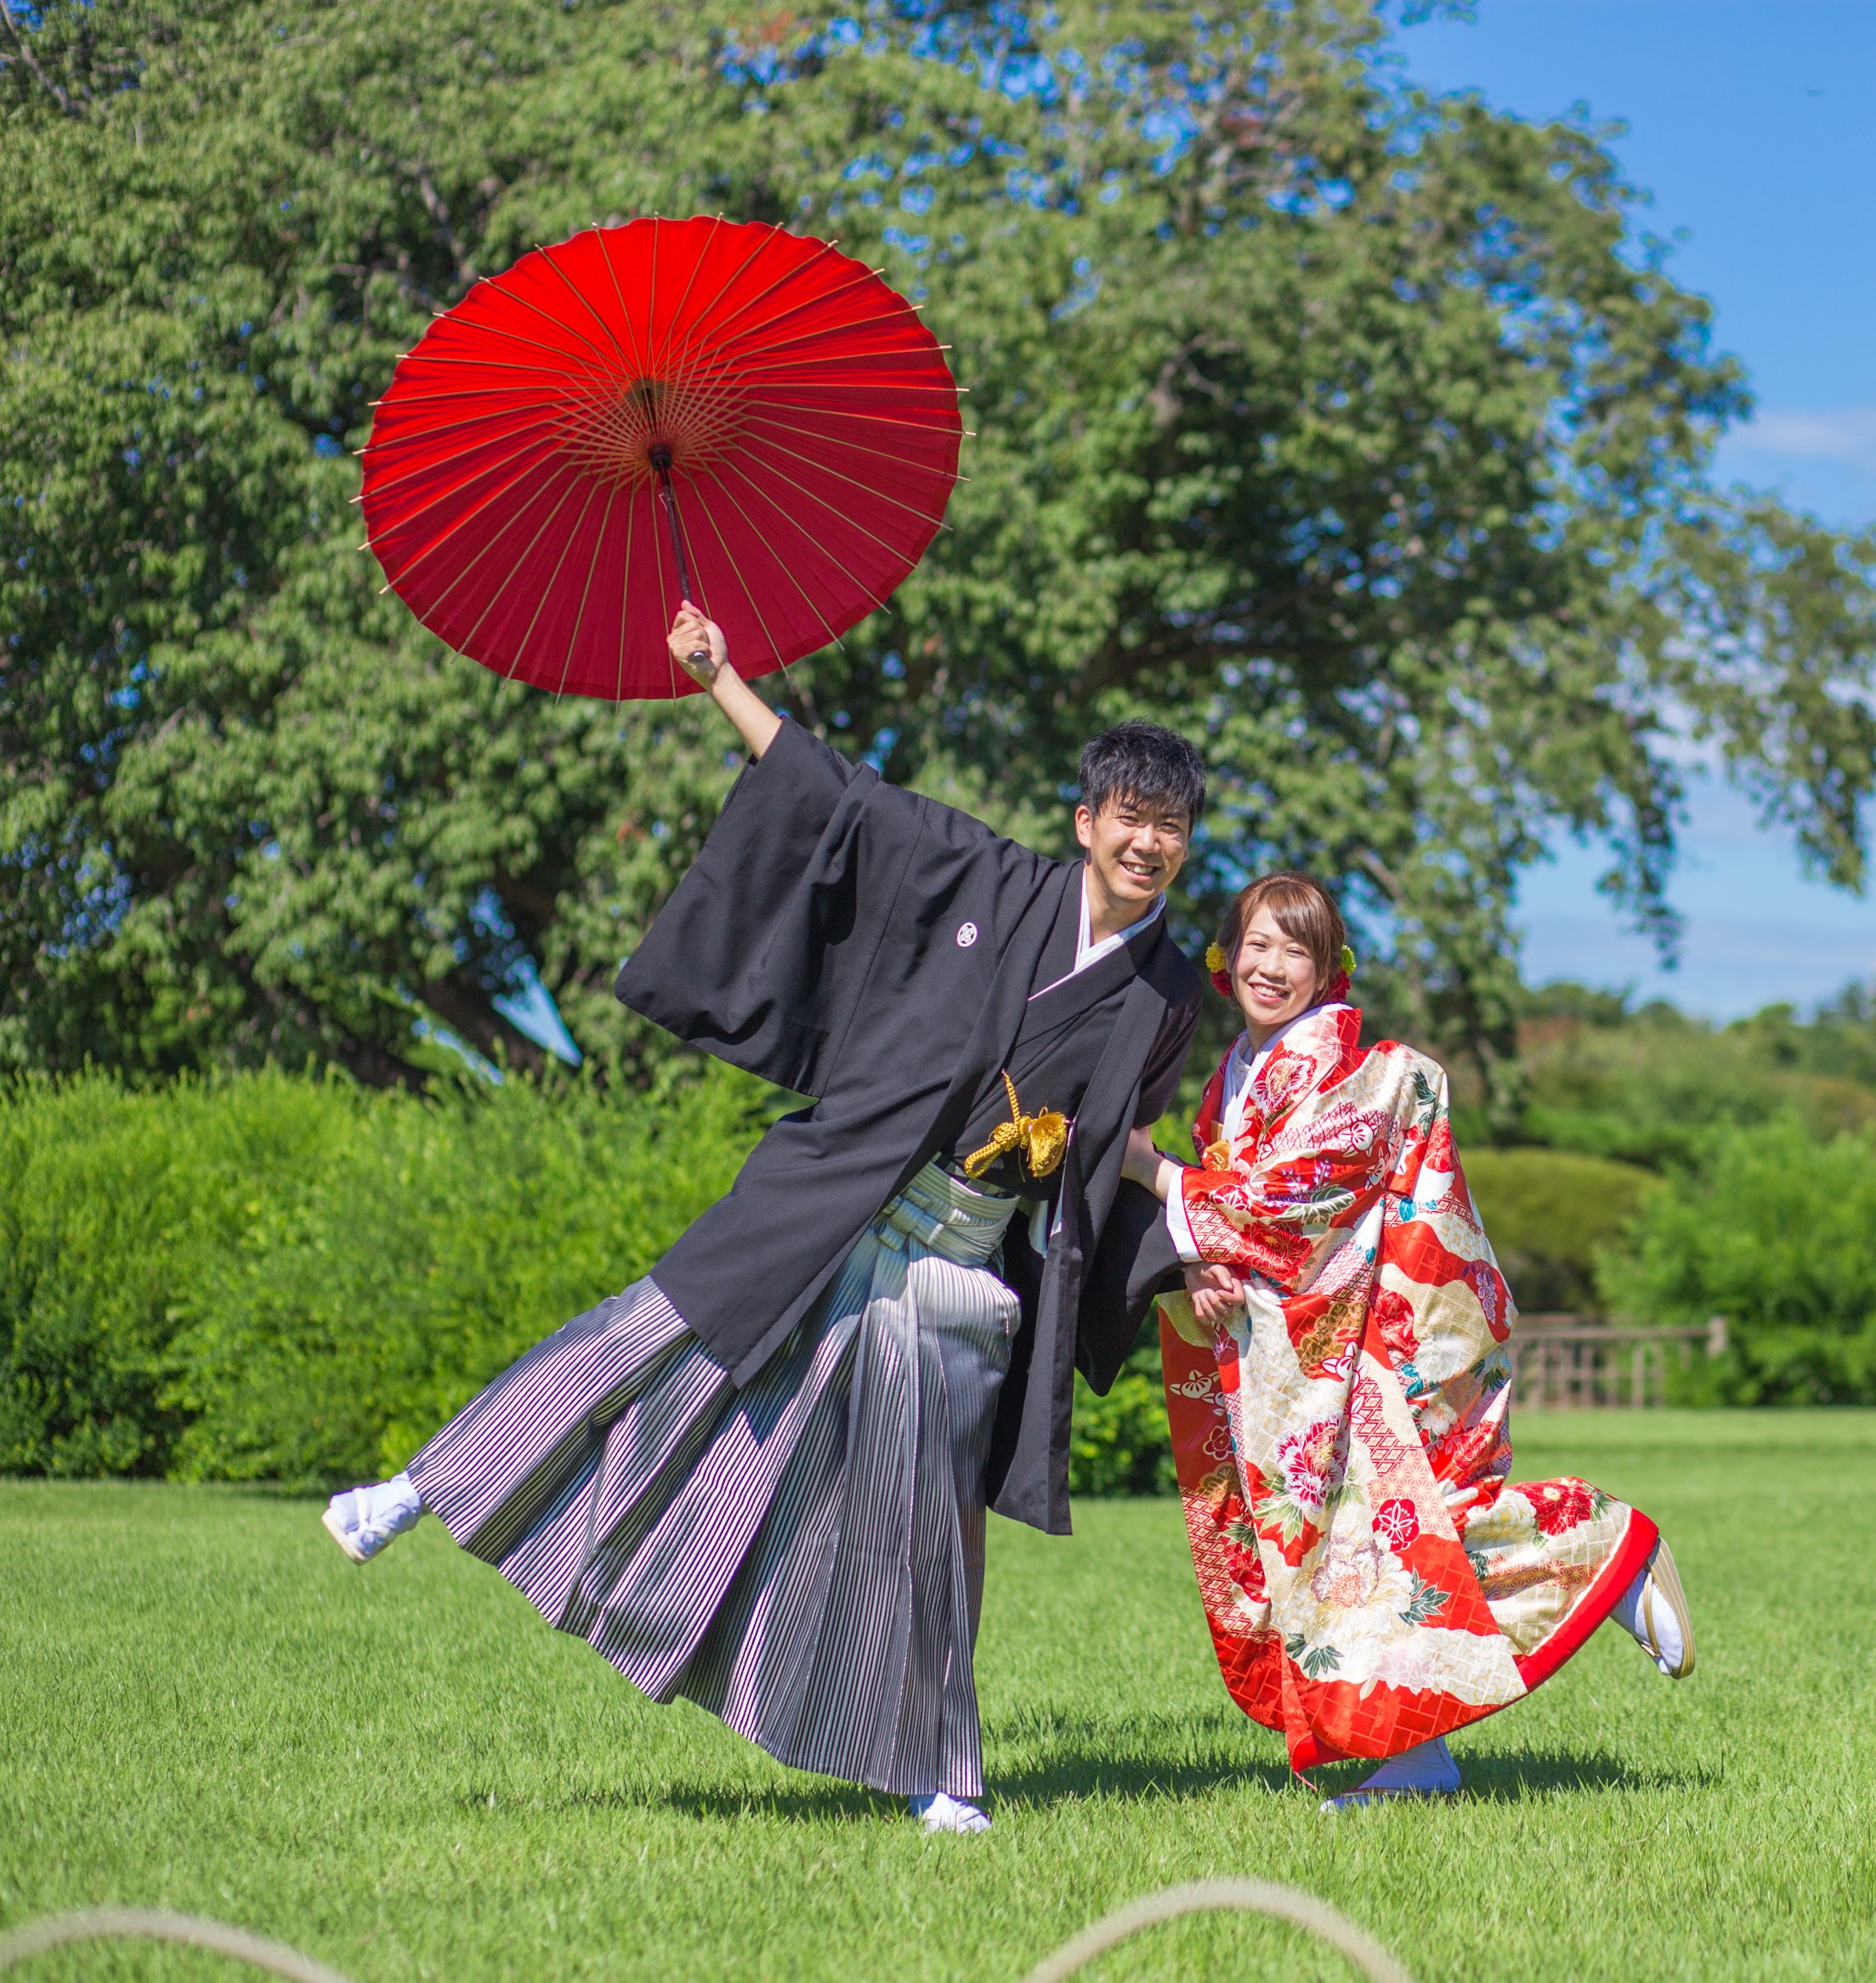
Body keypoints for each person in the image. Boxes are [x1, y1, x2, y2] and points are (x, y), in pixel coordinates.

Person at [320, 603, 1206, 1835]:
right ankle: (426, 1483)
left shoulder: (1167, 991)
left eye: (1170, 825)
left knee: (927, 1522)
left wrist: (1194, 1221)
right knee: (650, 1344)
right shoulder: (988, 877)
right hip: (838, 1191)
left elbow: (1125, 1145)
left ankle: (939, 1769)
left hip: (958, 1265)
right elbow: (838, 798)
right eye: (1130, 818)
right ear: (1086, 823)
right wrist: (723, 676)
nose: (1148, 842)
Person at [1120, 873, 1693, 1811]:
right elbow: (1232, 1219)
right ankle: (1417, 1755)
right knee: (1358, 1557)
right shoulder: (1235, 1077)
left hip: (1374, 1343)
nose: (1271, 966)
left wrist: (1150, 1167)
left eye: (1295, 949)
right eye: (1255, 945)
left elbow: (1283, 1207)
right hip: (1292, 1357)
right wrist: (1193, 1264)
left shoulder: (1368, 1075)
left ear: (1327, 968)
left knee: (1407, 1533)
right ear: (1225, 957)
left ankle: (1601, 1542)